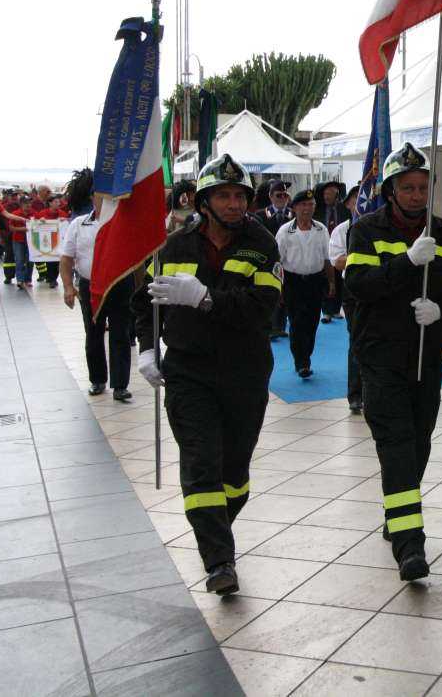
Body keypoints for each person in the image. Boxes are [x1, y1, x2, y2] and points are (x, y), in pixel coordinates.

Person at [133, 153, 282, 596]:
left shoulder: (263, 245)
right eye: (224, 196)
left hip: (245, 373)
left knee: (234, 474)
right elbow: (146, 303)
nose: (234, 204)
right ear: (203, 201)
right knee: (201, 465)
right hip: (188, 372)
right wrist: (145, 349)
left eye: (240, 196)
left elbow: (263, 309)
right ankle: (219, 561)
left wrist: (205, 299)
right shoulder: (174, 246)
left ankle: (217, 530)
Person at [344, 142, 442, 581]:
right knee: (398, 446)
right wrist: (406, 261)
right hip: (381, 355)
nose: (418, 195)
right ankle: (409, 545)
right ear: (390, 191)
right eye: (408, 187)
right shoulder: (365, 230)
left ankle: (397, 507)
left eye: (423, 187)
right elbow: (361, 283)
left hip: (428, 352)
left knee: (420, 440)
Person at [60, 195, 133, 400]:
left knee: (120, 333)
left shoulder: (124, 222)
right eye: (102, 196)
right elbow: (66, 259)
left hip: (119, 284)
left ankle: (120, 385)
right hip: (89, 286)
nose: (107, 200)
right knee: (93, 332)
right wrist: (67, 287)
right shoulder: (78, 224)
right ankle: (98, 380)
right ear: (94, 198)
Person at [276, 188, 334, 378]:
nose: (307, 209)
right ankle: (301, 361)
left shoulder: (321, 229)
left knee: (312, 322)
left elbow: (327, 259)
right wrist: (279, 288)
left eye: (311, 205)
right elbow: (277, 263)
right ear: (294, 208)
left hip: (315, 281)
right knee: (297, 322)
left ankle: (306, 355)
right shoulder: (285, 231)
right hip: (293, 282)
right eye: (303, 205)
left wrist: (331, 282)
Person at [328, 186, 363, 413]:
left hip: (384, 287)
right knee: (358, 339)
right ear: (349, 204)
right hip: (354, 289)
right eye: (357, 200)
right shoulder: (343, 229)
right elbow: (337, 261)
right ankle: (356, 394)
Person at [255, 180, 293, 339]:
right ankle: (270, 325)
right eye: (278, 195)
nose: (282, 198)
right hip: (268, 260)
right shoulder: (260, 215)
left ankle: (281, 325)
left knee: (287, 291)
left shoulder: (293, 214)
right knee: (271, 290)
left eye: (285, 195)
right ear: (270, 196)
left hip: (289, 259)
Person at [316, 180, 349, 323]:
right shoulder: (319, 209)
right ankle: (326, 311)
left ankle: (335, 309)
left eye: (329, 193)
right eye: (324, 193)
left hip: (339, 248)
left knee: (339, 279)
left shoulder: (343, 209)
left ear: (336, 194)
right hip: (323, 248)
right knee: (326, 280)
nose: (326, 196)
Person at [0, 196, 35, 290]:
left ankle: (28, 280)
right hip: (18, 240)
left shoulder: (33, 214)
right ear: (21, 204)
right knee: (19, 260)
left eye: (29, 203)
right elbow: (11, 228)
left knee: (30, 261)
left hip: (31, 241)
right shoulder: (15, 214)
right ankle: (20, 280)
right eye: (26, 203)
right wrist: (22, 229)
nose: (28, 205)